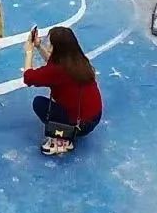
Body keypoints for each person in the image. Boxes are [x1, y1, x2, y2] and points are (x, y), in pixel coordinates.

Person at [23, 25, 102, 155]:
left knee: (39, 103)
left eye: (49, 44)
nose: (47, 45)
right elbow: (52, 62)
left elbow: (28, 77)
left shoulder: (57, 70)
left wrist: (29, 52)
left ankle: (63, 139)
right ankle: (69, 129)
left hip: (80, 125)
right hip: (94, 117)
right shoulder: (78, 60)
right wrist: (38, 46)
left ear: (57, 48)